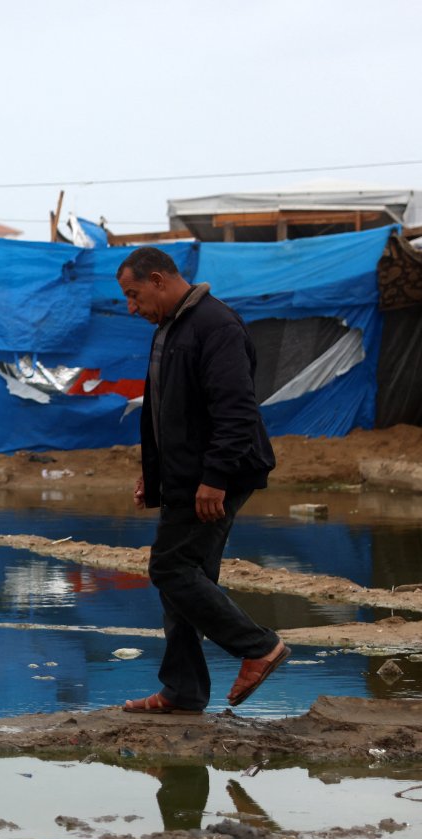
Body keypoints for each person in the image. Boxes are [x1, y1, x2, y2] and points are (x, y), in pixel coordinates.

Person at [115, 247, 288, 715]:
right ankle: (184, 691)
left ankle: (258, 647)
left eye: (134, 295)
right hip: (186, 475)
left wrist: (216, 479)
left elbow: (236, 410)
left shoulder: (216, 325)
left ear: (158, 279)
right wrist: (154, 477)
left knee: (169, 569)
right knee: (187, 578)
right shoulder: (170, 329)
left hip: (215, 476)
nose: (132, 307)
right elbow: (166, 413)